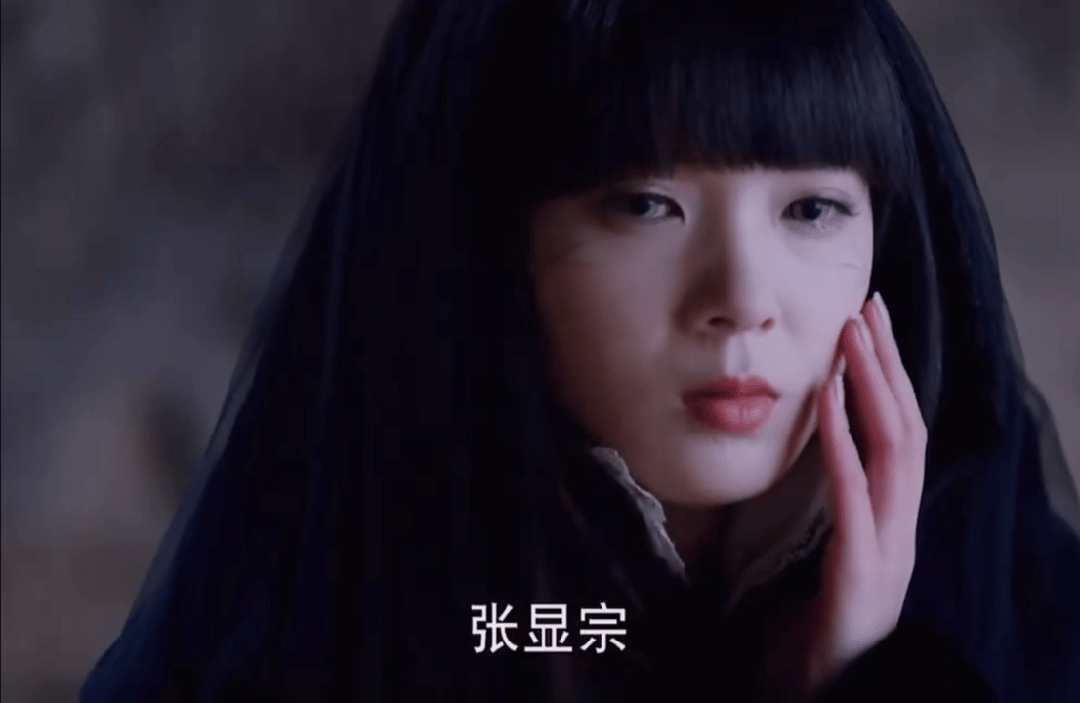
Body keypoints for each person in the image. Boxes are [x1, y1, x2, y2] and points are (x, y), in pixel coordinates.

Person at [81, 0, 1080, 700]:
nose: (740, 302)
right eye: (646, 204)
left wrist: (862, 670)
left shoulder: (1018, 622)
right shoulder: (335, 631)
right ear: (497, 242)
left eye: (812, 209)